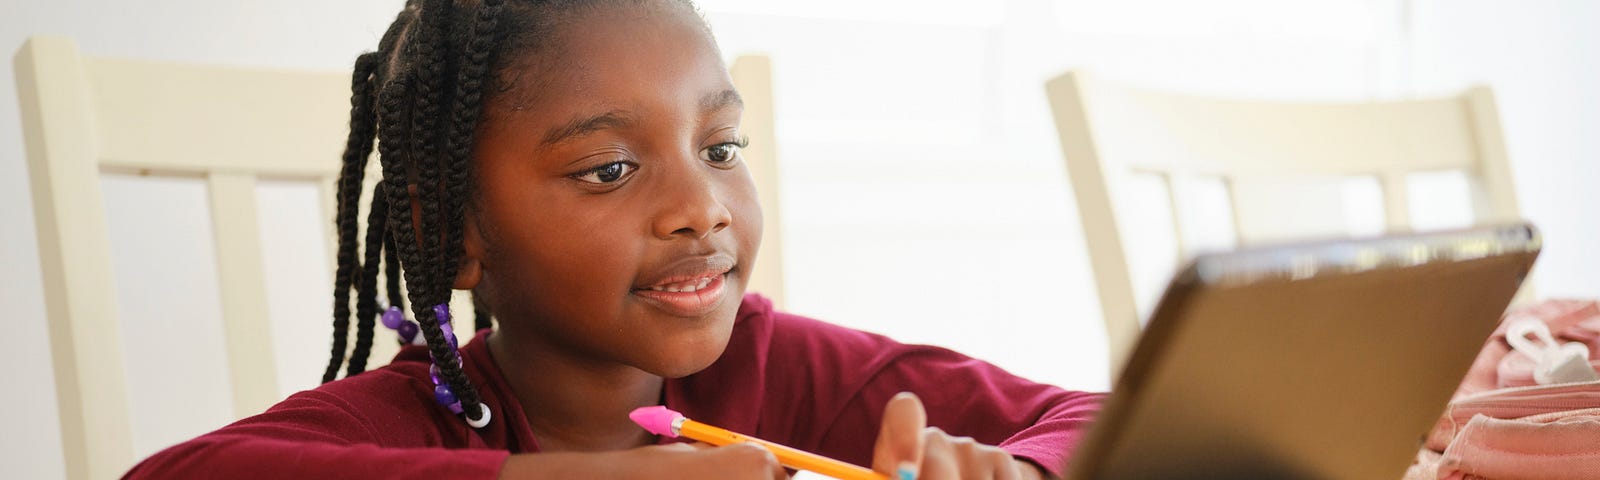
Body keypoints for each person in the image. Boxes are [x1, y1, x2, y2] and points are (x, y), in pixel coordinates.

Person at [123, 0, 1102, 478]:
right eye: (609, 169)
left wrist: (1017, 472)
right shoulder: (414, 416)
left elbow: (1104, 418)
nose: (701, 208)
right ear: (450, 233)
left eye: (720, 146)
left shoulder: (784, 371)